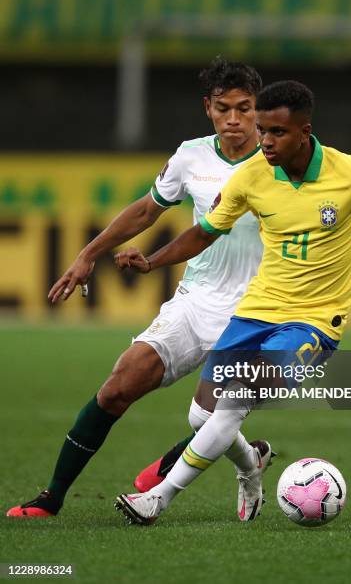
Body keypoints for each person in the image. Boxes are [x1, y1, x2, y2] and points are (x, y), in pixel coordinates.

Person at [113, 79, 351, 525]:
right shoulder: (252, 177)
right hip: (256, 311)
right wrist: (153, 262)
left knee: (233, 402)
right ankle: (251, 466)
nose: (266, 142)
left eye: (276, 133)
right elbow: (204, 232)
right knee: (202, 416)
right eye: (263, 130)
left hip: (314, 323)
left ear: (304, 131)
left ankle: (157, 498)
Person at [7, 57, 271, 520]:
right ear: (207, 108)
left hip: (258, 309)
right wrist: (88, 254)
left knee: (209, 419)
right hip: (197, 299)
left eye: (245, 109)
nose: (234, 119)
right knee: (116, 387)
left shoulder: (279, 159)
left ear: (258, 110)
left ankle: (218, 469)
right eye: (224, 108)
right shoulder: (191, 154)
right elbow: (146, 211)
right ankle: (51, 497)